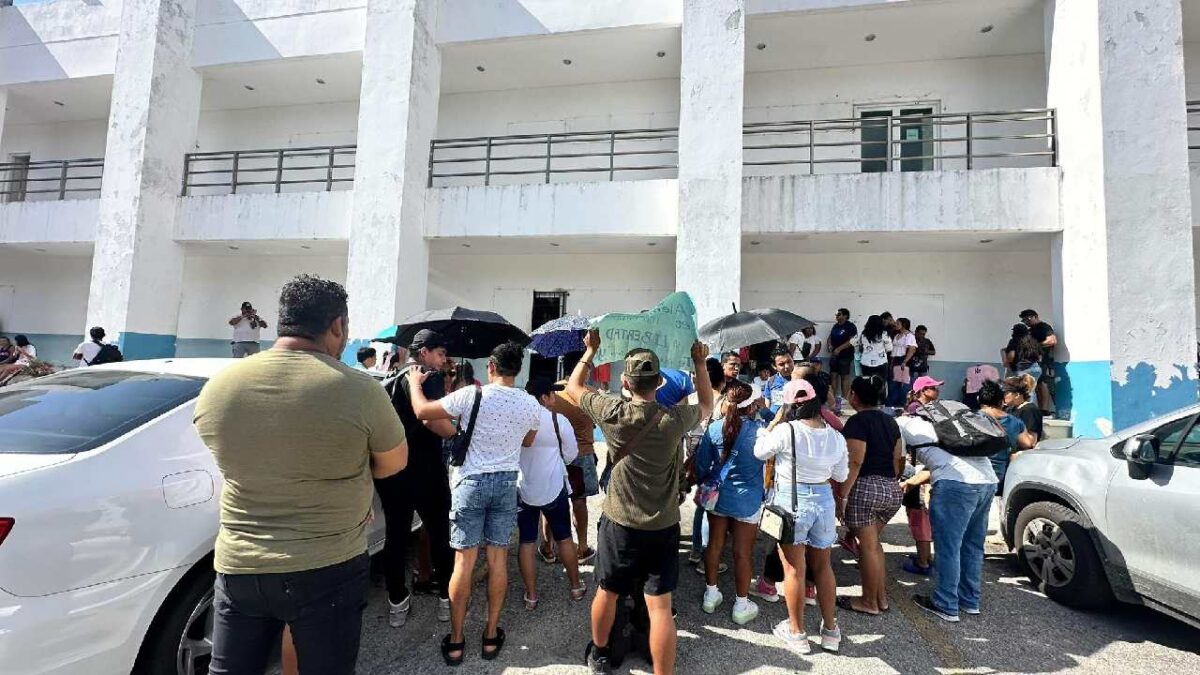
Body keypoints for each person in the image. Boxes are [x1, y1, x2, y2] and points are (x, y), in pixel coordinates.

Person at [195, 275, 409, 675]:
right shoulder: (359, 390)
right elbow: (394, 463)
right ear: (337, 325)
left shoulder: (221, 386)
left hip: (241, 565)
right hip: (328, 564)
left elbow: (227, 453)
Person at [568, 330, 713, 675]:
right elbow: (707, 405)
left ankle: (601, 654)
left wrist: (590, 351)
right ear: (659, 382)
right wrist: (700, 362)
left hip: (620, 522)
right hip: (662, 524)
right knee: (660, 605)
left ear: (625, 382)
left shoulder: (613, 412)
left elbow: (574, 387)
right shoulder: (674, 419)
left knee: (608, 591)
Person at [409, 340, 541, 666]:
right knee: (498, 560)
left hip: (470, 483)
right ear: (518, 370)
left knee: (464, 563)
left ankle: (456, 641)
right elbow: (528, 440)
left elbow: (423, 412)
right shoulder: (530, 403)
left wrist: (414, 384)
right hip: (506, 484)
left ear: (491, 367)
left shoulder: (472, 394)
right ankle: (490, 635)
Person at [753, 379, 847, 655]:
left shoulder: (786, 430)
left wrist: (770, 425)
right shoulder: (835, 436)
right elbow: (840, 474)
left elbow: (760, 452)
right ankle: (831, 630)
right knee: (823, 567)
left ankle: (797, 632)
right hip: (824, 501)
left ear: (789, 406)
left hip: (792, 501)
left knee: (794, 569)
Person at [377, 329, 455, 630]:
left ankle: (397, 601)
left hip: (393, 472)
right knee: (439, 534)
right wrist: (455, 430)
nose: (444, 359)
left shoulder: (393, 377)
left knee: (395, 537)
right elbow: (436, 424)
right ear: (424, 352)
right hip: (426, 471)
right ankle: (447, 598)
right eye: (440, 353)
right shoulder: (427, 377)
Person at [898, 413, 998, 623]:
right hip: (988, 481)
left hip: (956, 485)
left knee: (948, 547)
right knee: (973, 545)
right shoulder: (946, 425)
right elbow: (940, 463)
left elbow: (898, 462)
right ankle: (969, 600)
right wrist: (913, 482)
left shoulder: (901, 424)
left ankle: (945, 603)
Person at [695, 379, 766, 625]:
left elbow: (701, 465)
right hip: (748, 499)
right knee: (742, 553)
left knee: (714, 545)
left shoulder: (715, 428)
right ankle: (741, 604)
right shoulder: (760, 432)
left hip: (718, 496)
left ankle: (711, 594)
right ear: (752, 406)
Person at [837, 375, 903, 615]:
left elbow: (855, 461)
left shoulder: (857, 422)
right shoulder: (891, 422)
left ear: (854, 395)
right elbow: (898, 459)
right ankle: (880, 598)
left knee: (867, 548)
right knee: (874, 546)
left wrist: (842, 496)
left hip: (866, 489)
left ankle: (868, 602)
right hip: (891, 488)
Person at [518, 378, 585, 609]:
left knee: (527, 541)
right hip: (554, 486)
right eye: (551, 394)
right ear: (543, 397)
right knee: (564, 537)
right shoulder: (558, 420)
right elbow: (571, 454)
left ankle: (531, 596)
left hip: (524, 487)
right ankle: (576, 587)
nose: (554, 397)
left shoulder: (519, 420)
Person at [548, 381, 599, 564]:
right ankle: (582, 547)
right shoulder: (590, 392)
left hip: (554, 454)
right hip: (582, 454)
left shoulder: (553, 391)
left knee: (550, 500)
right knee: (579, 501)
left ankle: (548, 548)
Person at [977, 380, 1036, 491]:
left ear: (978, 399)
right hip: (998, 476)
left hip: (973, 474)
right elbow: (1027, 443)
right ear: (1001, 401)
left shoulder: (970, 418)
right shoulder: (1015, 421)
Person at [1019, 309, 1057, 414]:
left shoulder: (1044, 327)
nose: (1025, 322)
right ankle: (1040, 409)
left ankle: (1044, 409)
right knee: (1035, 385)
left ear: (1034, 317)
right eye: (1023, 320)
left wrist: (1036, 346)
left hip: (1042, 360)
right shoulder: (1030, 330)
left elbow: (1052, 340)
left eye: (1026, 319)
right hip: (1031, 361)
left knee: (1042, 384)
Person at [827, 308, 857, 404]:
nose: (837, 316)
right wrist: (829, 345)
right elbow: (830, 337)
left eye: (839, 314)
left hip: (845, 355)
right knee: (833, 375)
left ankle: (845, 399)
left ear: (845, 316)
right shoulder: (836, 326)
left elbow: (852, 341)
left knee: (844, 377)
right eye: (836, 315)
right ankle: (833, 398)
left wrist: (839, 349)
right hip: (834, 355)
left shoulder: (850, 326)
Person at [853, 315, 893, 385]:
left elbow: (856, 344)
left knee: (867, 384)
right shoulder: (884, 334)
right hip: (881, 362)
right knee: (880, 384)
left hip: (866, 362)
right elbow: (889, 348)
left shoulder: (863, 334)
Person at [887, 318, 918, 408]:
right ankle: (893, 403)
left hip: (902, 360)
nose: (896, 325)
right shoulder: (897, 335)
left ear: (904, 325)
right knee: (893, 383)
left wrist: (905, 361)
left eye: (898, 323)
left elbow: (912, 349)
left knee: (904, 384)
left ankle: (903, 404)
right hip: (894, 360)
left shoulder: (909, 336)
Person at [1003, 375, 1044, 442]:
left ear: (1017, 395)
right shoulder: (1010, 409)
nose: (1003, 396)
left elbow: (1031, 440)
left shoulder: (1030, 410)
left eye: (1006, 393)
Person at [761, 346, 795, 418]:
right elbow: (767, 402)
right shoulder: (771, 381)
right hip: (775, 421)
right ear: (774, 366)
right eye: (781, 364)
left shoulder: (802, 379)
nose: (787, 366)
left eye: (789, 361)